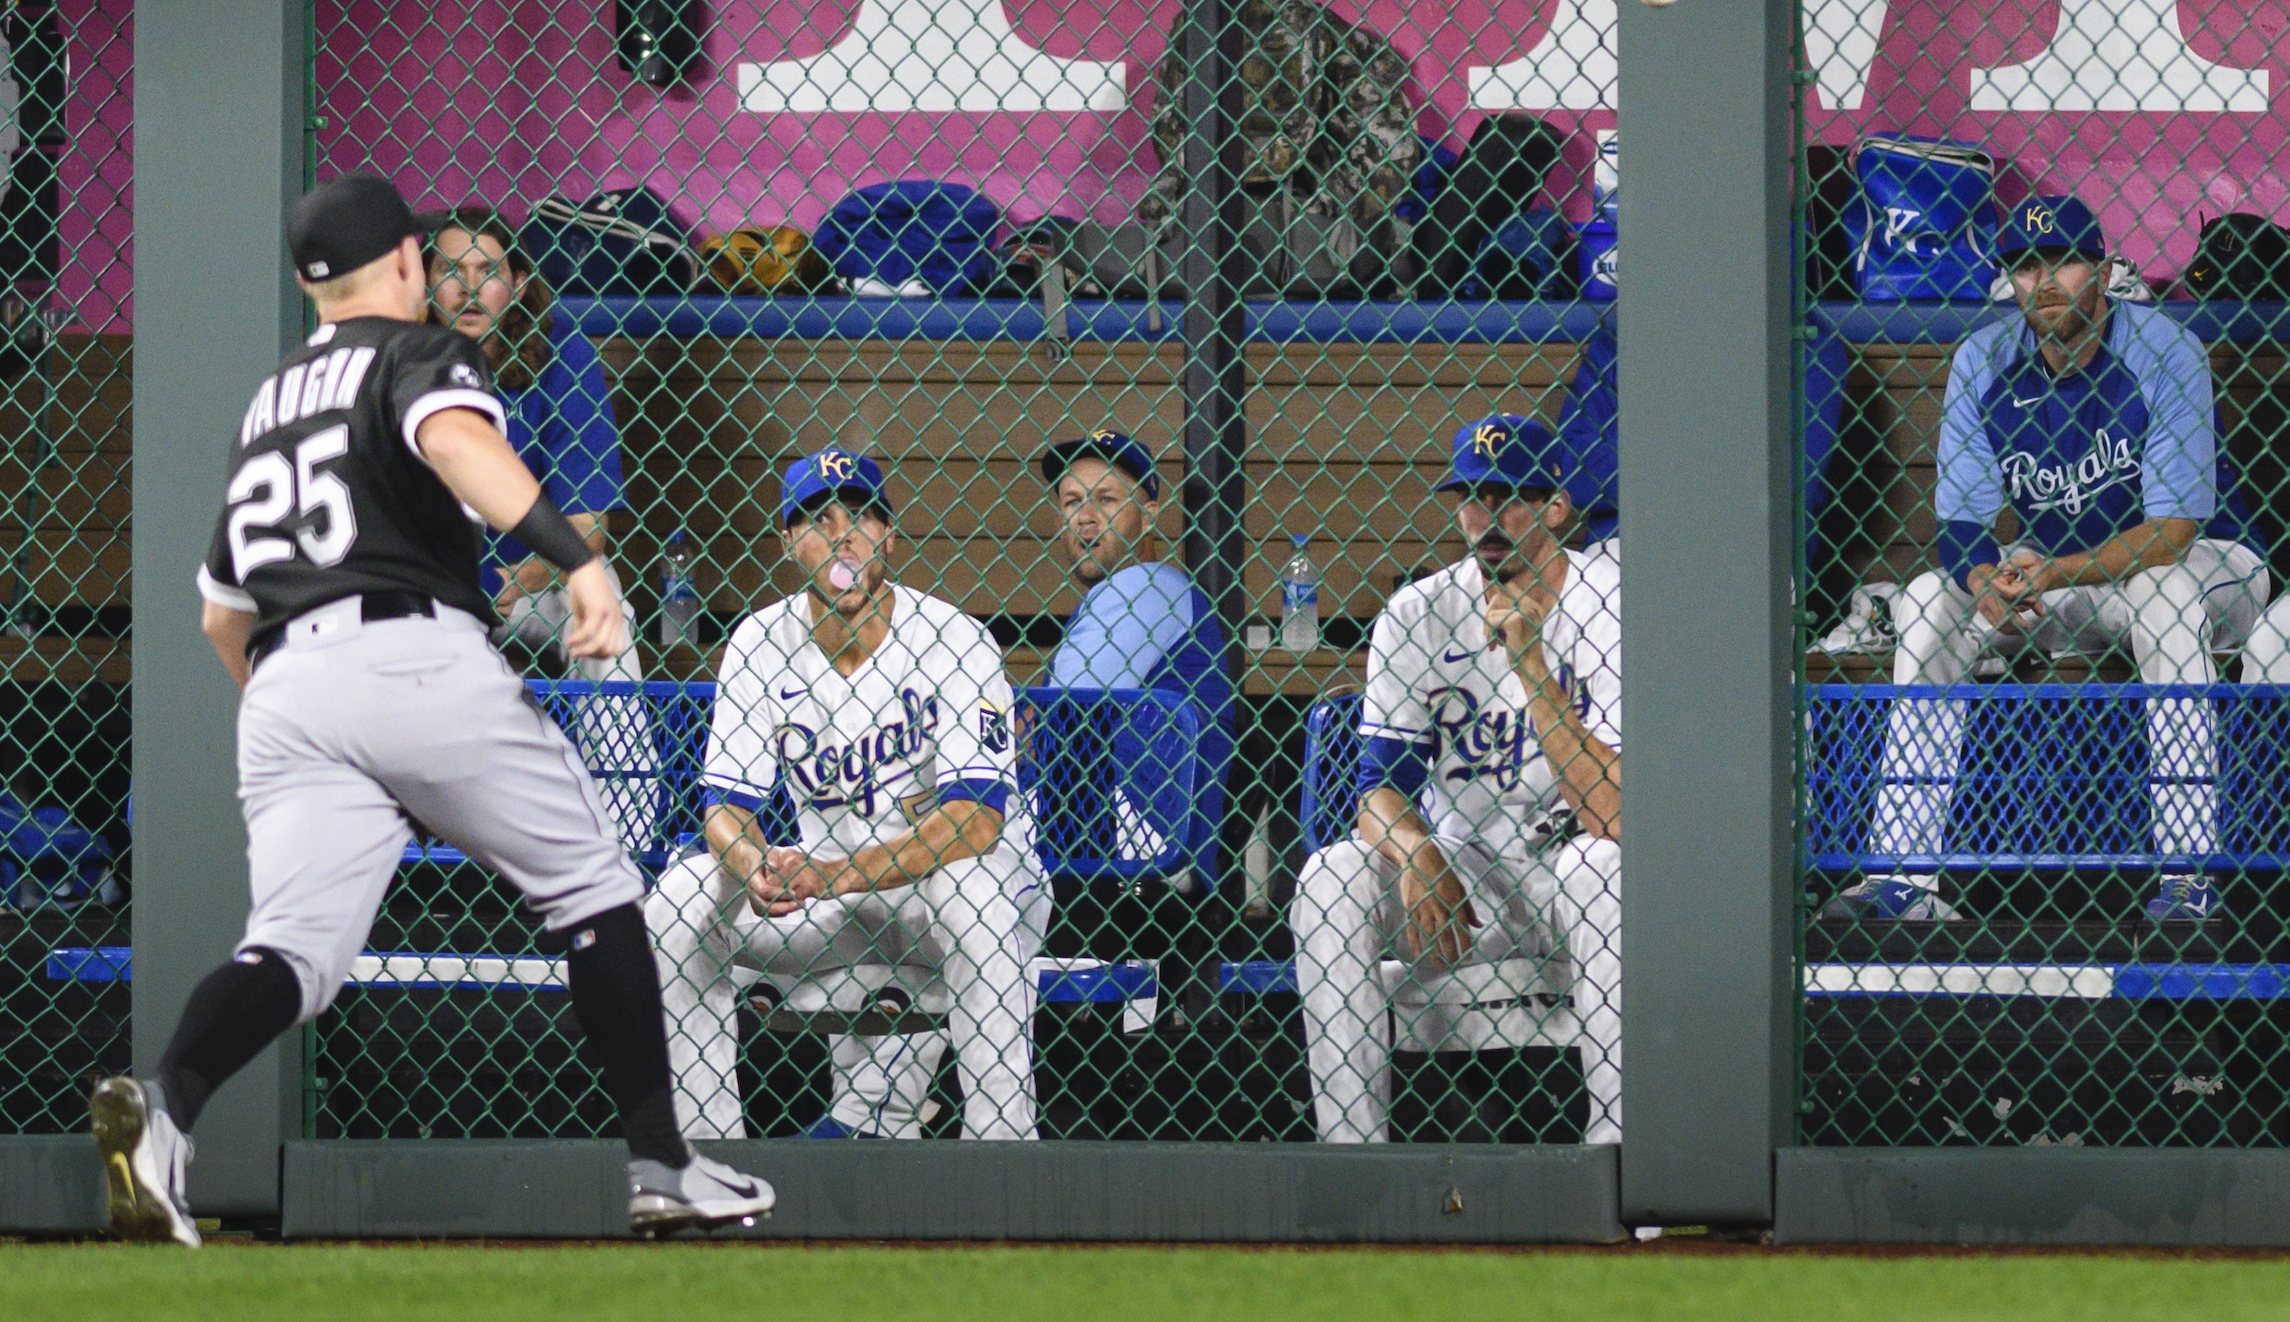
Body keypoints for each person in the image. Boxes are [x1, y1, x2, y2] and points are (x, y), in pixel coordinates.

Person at [90, 175, 772, 1246]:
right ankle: (663, 1165)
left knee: (293, 948)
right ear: (407, 263)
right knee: (594, 884)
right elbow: (458, 445)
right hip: (409, 650)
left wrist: (309, 722)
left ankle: (167, 1110)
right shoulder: (419, 353)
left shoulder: (271, 400)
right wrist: (576, 559)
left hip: (281, 683)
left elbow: (221, 615)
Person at [1829, 196, 2272, 925]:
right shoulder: (1985, 359)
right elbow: (1963, 519)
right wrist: (1985, 580)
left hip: (2211, 568)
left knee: (2161, 588)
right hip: (2074, 576)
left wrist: (2051, 572)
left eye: (2062, 259)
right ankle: (1903, 875)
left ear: (2100, 266)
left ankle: (2189, 876)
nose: (2045, 281)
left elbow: (2170, 531)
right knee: (1924, 599)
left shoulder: (2164, 349)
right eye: (2026, 265)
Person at [647, 448, 1048, 1141]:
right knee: (676, 902)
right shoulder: (759, 641)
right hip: (835, 902)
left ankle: (1004, 1151)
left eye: (862, 515)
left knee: (971, 894)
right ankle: (708, 1151)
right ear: (787, 543)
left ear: (890, 535)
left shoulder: (955, 637)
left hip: (943, 895)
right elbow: (725, 810)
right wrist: (755, 865)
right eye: (818, 519)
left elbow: (974, 824)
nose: (843, 535)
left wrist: (830, 874)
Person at [1293, 415, 1623, 1145]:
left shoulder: (1614, 601)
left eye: (1510, 497)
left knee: (1600, 867)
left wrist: (1531, 667)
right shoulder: (1418, 612)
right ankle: (1353, 1155)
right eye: (1471, 497)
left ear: (1556, 508)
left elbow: (1614, 812)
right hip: (1471, 889)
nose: (1487, 518)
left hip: (1589, 881)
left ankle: (1620, 1152)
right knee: (1331, 877)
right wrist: (1413, 850)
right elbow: (1377, 790)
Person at [425, 205, 637, 682]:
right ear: (425, 285)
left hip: (525, 590)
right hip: (427, 593)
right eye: (451, 271)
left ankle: (624, 758)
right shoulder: (401, 360)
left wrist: (517, 580)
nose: (469, 288)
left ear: (518, 284)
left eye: (487, 271)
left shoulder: (563, 353)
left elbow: (588, 527)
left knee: (601, 591)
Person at [1038, 428, 1234, 890]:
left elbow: (1052, 724)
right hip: (1117, 828)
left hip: (1136, 839)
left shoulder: (1146, 588)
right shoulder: (1134, 593)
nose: (1085, 518)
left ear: (1147, 517)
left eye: (1105, 499)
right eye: (1070, 502)